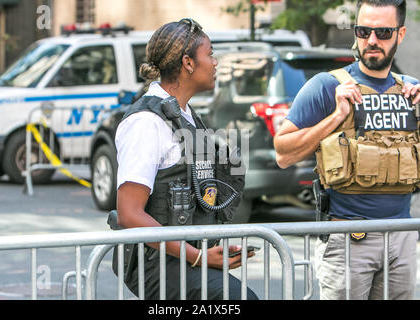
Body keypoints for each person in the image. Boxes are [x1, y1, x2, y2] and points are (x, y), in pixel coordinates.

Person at [274, 0, 420, 300]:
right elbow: (283, 153)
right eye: (363, 31)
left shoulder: (412, 92)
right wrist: (336, 116)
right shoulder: (327, 86)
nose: (372, 41)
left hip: (402, 239)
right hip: (347, 241)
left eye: (383, 32)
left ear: (401, 34)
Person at [114, 18, 259, 300]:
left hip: (184, 257)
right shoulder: (146, 122)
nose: (215, 62)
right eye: (210, 54)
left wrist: (207, 252)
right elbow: (129, 213)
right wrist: (198, 257)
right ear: (188, 63)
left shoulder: (185, 115)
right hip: (156, 264)